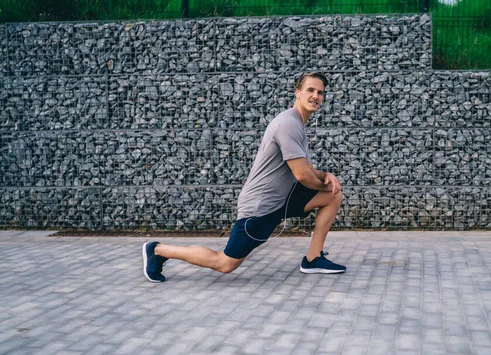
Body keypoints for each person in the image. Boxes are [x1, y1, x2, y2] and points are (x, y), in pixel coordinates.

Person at [142, 72, 346, 282]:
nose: (315, 96)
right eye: (310, 90)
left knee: (332, 195)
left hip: (282, 199)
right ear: (298, 93)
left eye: (320, 92)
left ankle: (313, 259)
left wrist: (325, 176)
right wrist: (321, 183)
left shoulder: (297, 123)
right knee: (225, 263)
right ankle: (157, 250)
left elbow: (304, 168)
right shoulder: (288, 123)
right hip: (260, 207)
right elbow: (303, 175)